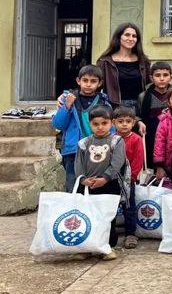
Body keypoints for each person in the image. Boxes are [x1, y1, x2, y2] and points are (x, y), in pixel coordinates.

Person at [74, 104, 127, 260]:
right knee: (87, 216)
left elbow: (117, 163)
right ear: (89, 124)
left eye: (104, 123)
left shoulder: (116, 141)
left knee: (107, 217)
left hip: (109, 184)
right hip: (88, 186)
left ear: (112, 123)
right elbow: (78, 164)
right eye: (95, 124)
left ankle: (107, 247)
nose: (100, 127)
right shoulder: (84, 143)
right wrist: (83, 179)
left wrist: (105, 178)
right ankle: (86, 247)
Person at [52, 65, 112, 192]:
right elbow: (58, 124)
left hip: (96, 150)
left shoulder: (103, 101)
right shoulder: (68, 98)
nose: (88, 84)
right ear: (78, 81)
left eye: (93, 81)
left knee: (94, 185)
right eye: (85, 80)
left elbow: (109, 127)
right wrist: (67, 106)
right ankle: (73, 211)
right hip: (73, 150)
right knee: (73, 184)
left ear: (100, 83)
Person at [96, 23, 151, 108]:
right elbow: (96, 88)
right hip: (115, 109)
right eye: (127, 35)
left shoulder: (143, 61)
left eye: (134, 36)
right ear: (119, 37)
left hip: (140, 108)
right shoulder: (105, 62)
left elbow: (150, 86)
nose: (131, 39)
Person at [112, 106, 144, 249]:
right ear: (113, 122)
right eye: (120, 121)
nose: (124, 124)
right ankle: (109, 234)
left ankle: (130, 234)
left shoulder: (136, 139)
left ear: (133, 123)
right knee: (111, 207)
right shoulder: (110, 139)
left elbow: (138, 159)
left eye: (128, 121)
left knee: (129, 207)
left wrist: (132, 177)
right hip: (112, 180)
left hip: (128, 181)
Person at [136, 61, 172, 168]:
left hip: (170, 137)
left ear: (171, 77)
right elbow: (136, 115)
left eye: (165, 75)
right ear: (151, 78)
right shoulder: (143, 97)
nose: (162, 78)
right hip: (151, 137)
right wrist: (139, 122)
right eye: (157, 75)